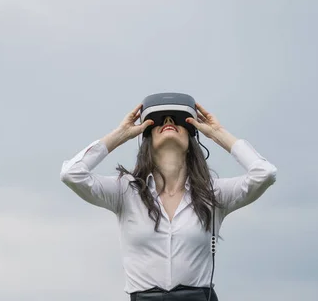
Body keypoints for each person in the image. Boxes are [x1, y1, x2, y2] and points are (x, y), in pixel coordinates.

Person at [60, 101, 277, 301]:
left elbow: (264, 174)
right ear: (146, 138)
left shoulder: (214, 193)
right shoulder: (125, 191)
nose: (169, 122)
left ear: (192, 139)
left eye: (178, 120)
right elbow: (72, 174)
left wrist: (218, 134)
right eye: (160, 121)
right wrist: (120, 135)